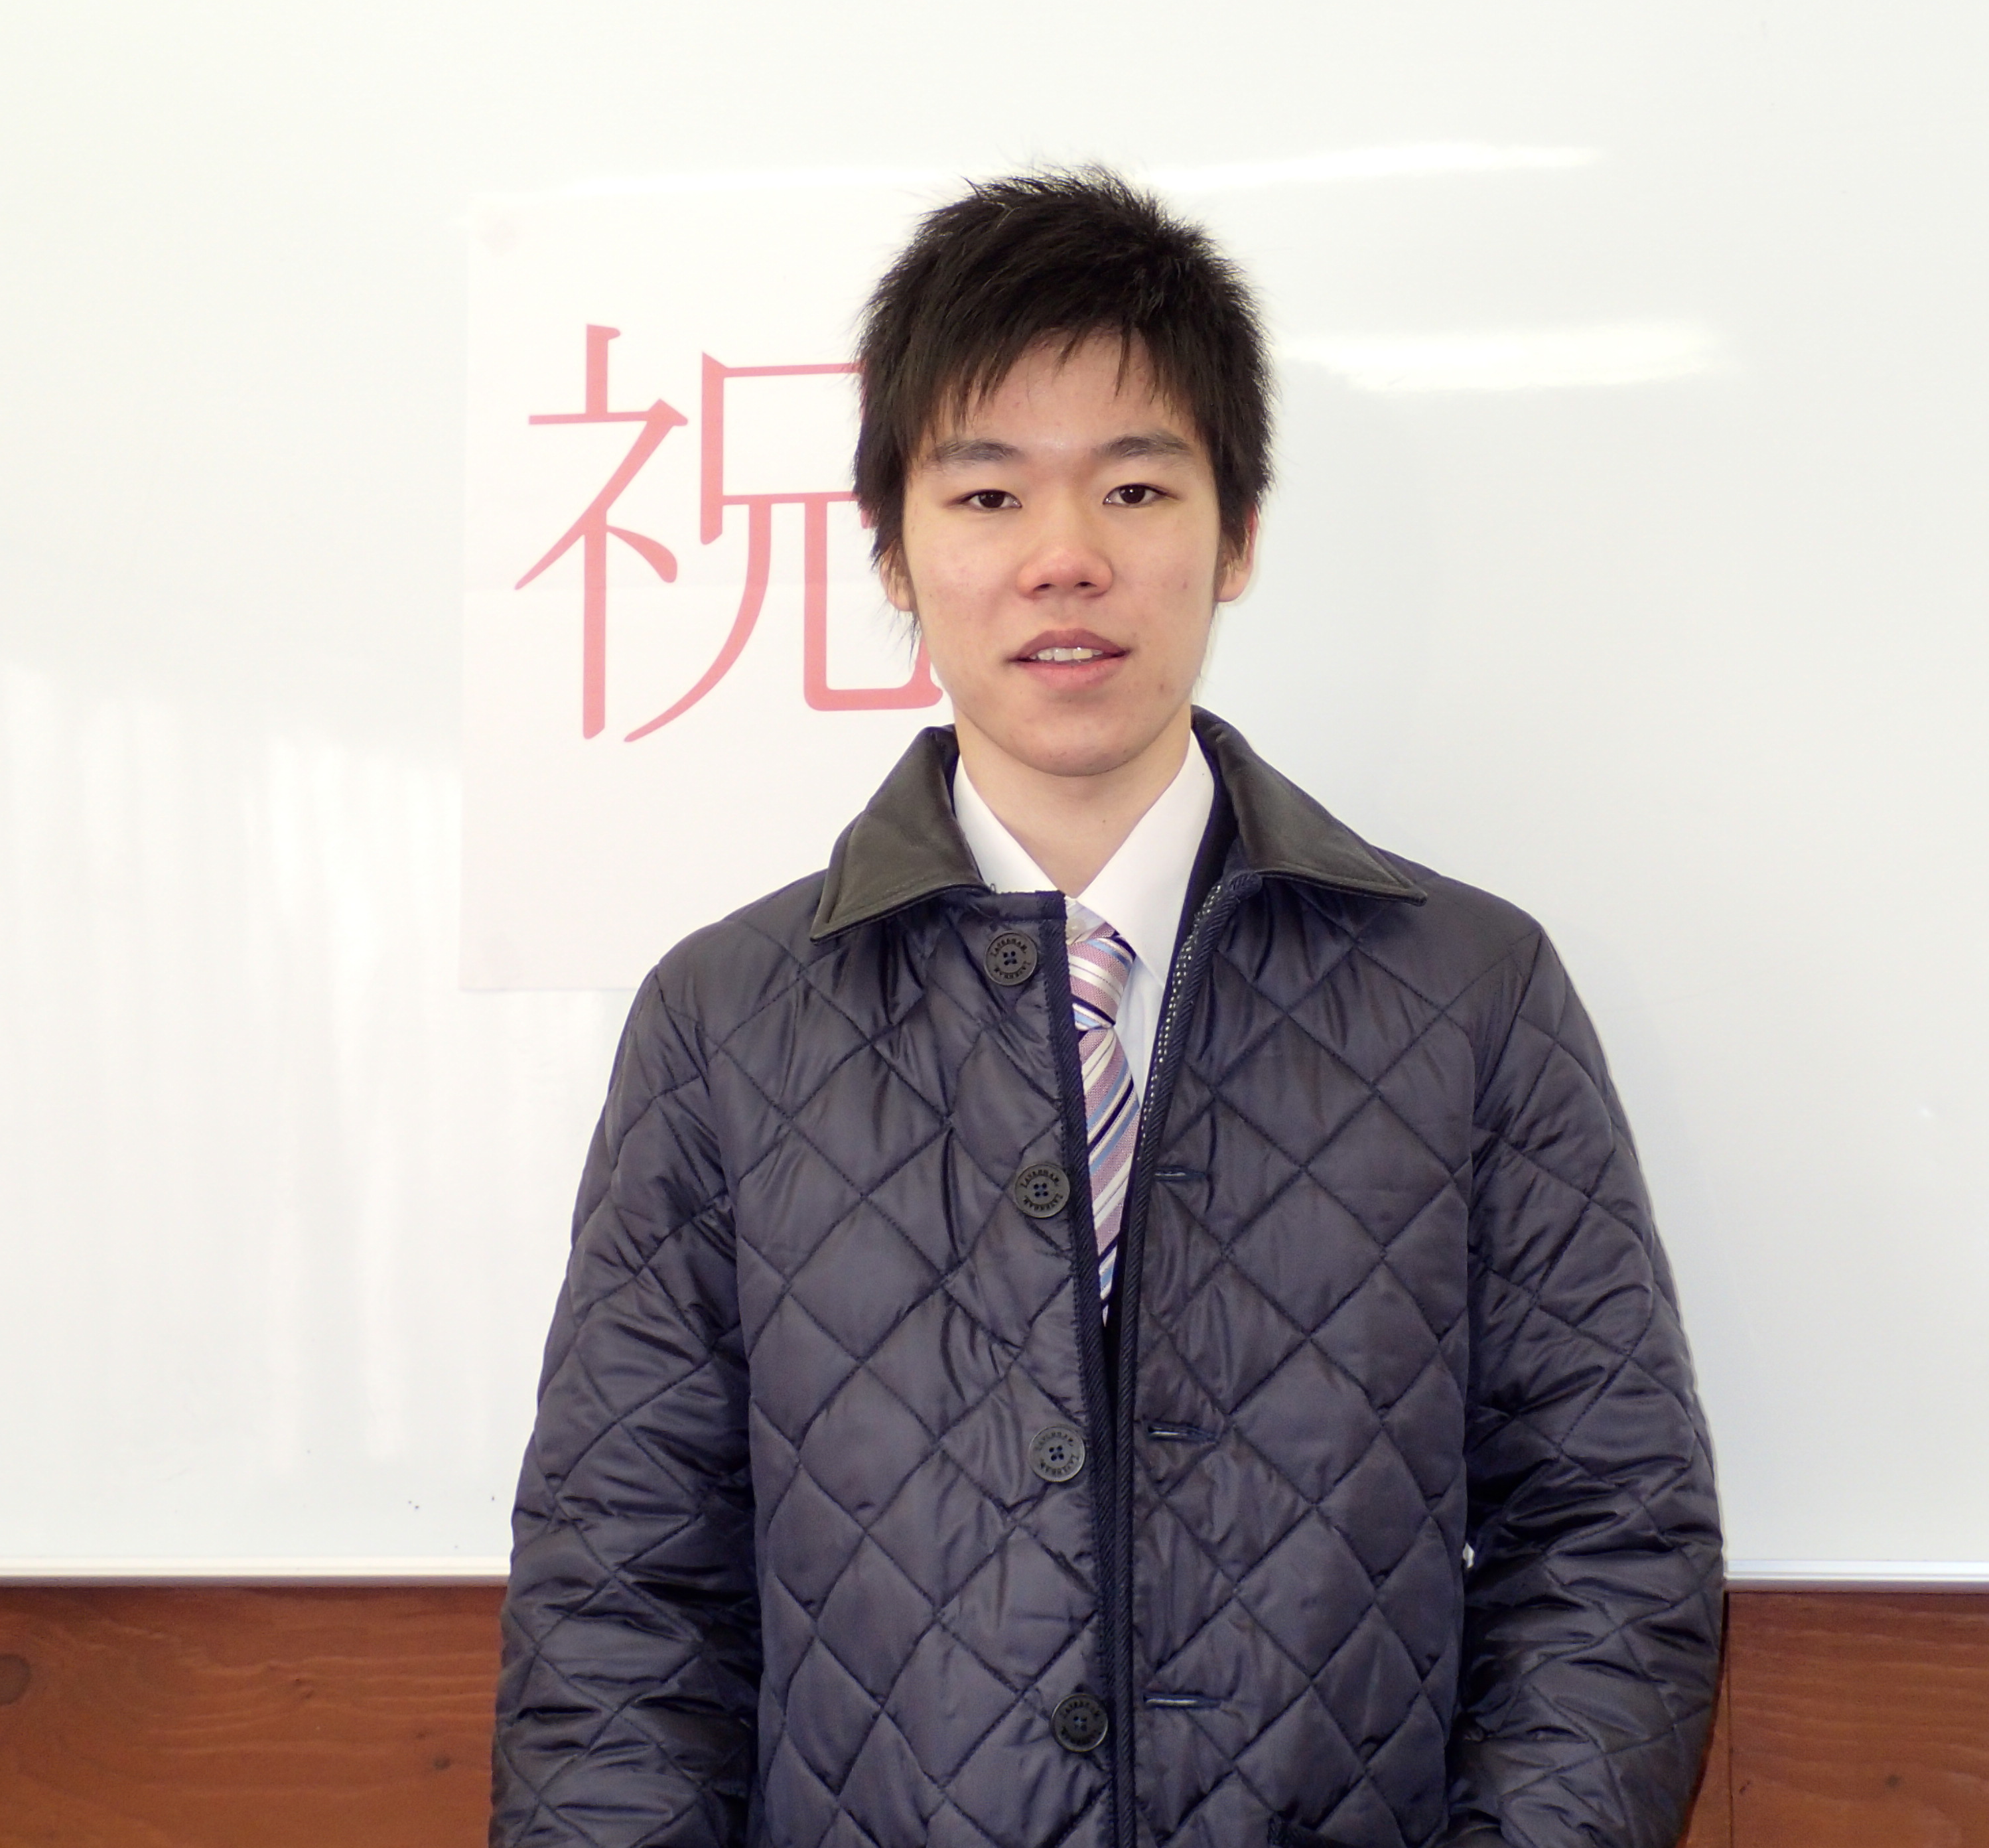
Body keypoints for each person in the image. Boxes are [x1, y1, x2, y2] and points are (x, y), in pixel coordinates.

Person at [492, 169, 1722, 1848]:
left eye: (1135, 488)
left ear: (1238, 535)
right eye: (988, 495)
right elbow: (622, 1597)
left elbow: (1609, 1536)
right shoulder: (725, 1026)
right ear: (894, 550)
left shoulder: (1469, 996)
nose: (1063, 559)